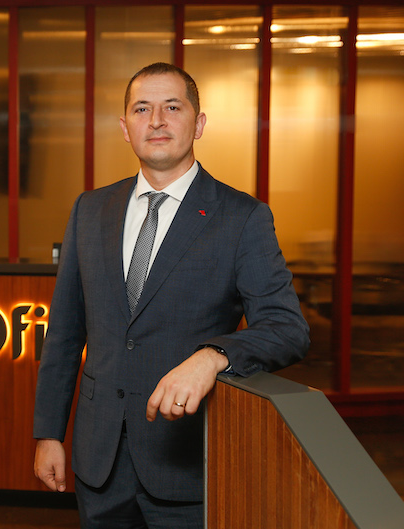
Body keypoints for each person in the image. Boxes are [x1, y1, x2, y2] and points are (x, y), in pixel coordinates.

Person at [32, 62, 310, 528]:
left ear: (198, 124)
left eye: (172, 108)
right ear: (125, 128)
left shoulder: (242, 217)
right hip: (98, 461)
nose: (156, 121)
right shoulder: (90, 209)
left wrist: (213, 356)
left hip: (186, 463)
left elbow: (287, 328)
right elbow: (63, 334)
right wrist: (48, 433)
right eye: (142, 109)